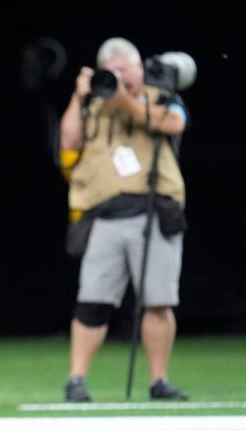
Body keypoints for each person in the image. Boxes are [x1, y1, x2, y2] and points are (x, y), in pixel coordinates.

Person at [58, 37, 189, 402]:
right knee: (93, 300)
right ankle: (76, 380)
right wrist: (80, 94)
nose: (118, 76)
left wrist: (121, 99)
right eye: (111, 71)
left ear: (138, 67)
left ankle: (159, 379)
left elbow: (175, 123)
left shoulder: (159, 95)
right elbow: (68, 140)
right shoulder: (94, 104)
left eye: (123, 69)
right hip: (105, 215)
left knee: (158, 300)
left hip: (154, 211)